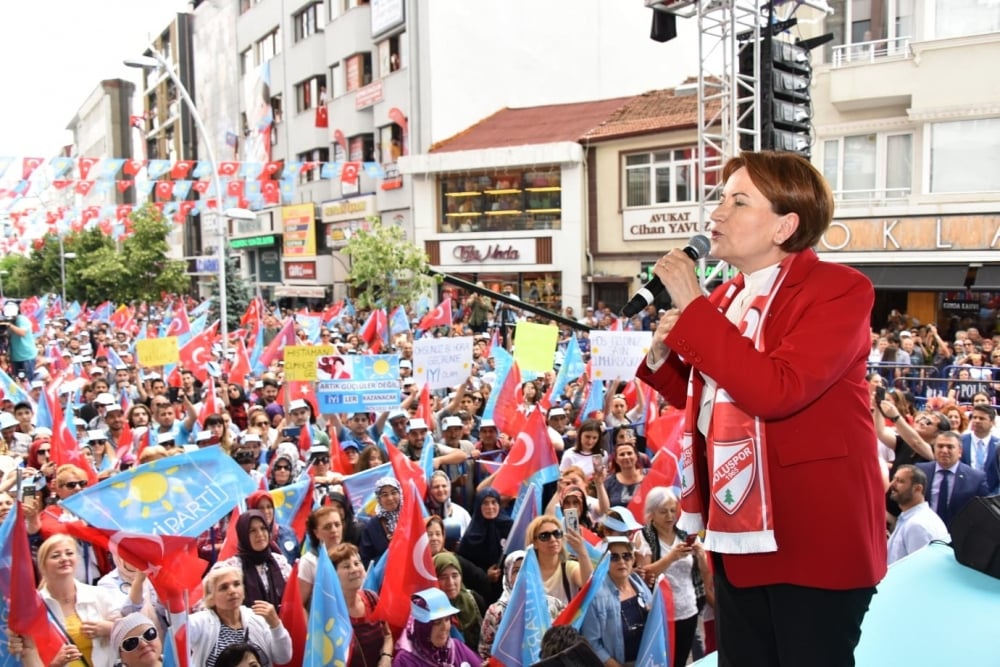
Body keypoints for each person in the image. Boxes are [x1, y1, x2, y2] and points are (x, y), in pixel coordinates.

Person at [637, 151, 886, 665]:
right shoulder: (726, 296)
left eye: (738, 200)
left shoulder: (839, 291)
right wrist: (666, 356)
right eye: (720, 199)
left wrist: (694, 307)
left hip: (811, 539)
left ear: (785, 225)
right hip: (738, 537)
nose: (716, 215)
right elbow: (715, 394)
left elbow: (776, 390)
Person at [636, 487, 711, 666]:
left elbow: (705, 572)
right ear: (651, 514)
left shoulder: (685, 534)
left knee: (681, 659)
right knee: (663, 660)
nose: (670, 516)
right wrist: (671, 558)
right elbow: (644, 573)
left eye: (672, 510)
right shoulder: (645, 536)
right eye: (663, 512)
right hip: (658, 610)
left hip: (688, 608)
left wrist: (701, 556)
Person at [22, 534, 121, 667]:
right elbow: (28, 654)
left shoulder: (99, 595)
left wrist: (109, 628)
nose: (64, 559)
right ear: (42, 565)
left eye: (69, 553)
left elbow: (128, 633)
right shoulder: (34, 607)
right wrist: (54, 664)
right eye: (55, 555)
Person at [188, 566, 292, 666]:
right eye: (224, 588)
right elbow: (178, 636)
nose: (232, 591)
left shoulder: (258, 618)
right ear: (211, 597)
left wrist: (275, 625)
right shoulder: (200, 622)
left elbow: (283, 658)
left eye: (237, 584)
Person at [580, 536, 653, 667]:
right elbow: (591, 642)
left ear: (633, 559)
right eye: (614, 557)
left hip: (649, 661)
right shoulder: (596, 596)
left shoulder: (638, 582)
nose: (621, 561)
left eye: (626, 556)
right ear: (603, 561)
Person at [329, 543, 394, 667]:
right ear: (333, 575)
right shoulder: (330, 614)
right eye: (346, 566)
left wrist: (386, 657)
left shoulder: (372, 598)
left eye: (357, 563)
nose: (354, 569)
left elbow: (388, 635)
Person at [214, 510, 291, 612]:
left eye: (263, 528)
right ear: (243, 535)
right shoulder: (232, 568)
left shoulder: (280, 562)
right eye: (252, 530)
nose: (259, 534)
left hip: (279, 626)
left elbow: (293, 598)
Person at [392, 587, 482, 667]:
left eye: (447, 619)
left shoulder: (456, 647)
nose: (444, 627)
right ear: (422, 627)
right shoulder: (404, 661)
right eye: (436, 622)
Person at [917, 430, 989, 527]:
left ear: (960, 451)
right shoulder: (920, 471)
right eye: (940, 446)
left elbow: (983, 512)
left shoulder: (976, 478)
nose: (944, 450)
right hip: (924, 530)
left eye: (950, 447)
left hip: (959, 535)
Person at [886, 464, 950, 564]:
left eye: (900, 481)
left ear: (917, 489)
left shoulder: (918, 525)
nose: (892, 485)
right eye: (894, 479)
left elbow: (920, 569)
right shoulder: (908, 518)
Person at [432, 552, 483, 651]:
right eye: (443, 577)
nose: (450, 583)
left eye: (455, 576)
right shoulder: (430, 609)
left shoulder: (474, 599)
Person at [298, 506, 344, 607]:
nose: (334, 530)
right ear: (316, 533)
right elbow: (299, 604)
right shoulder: (308, 562)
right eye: (327, 527)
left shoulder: (351, 555)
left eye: (337, 525)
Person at [360, 476, 403, 566]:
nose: (390, 498)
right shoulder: (372, 526)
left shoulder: (410, 518)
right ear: (379, 499)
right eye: (385, 495)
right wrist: (389, 559)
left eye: (394, 493)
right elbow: (366, 560)